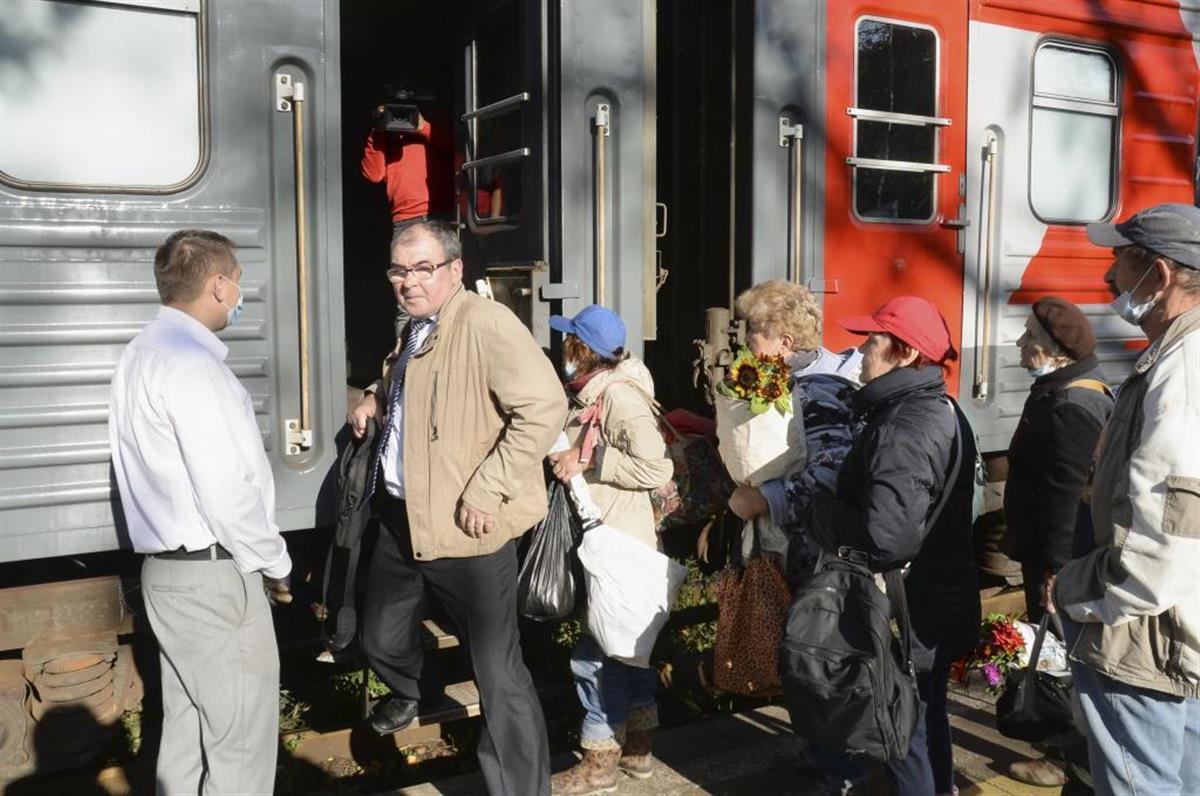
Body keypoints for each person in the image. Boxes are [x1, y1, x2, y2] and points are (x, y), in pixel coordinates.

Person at [347, 220, 566, 796]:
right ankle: (412, 689)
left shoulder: (486, 324)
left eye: (423, 269)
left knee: (498, 675)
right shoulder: (418, 329)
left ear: (454, 270)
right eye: (399, 270)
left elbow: (544, 409)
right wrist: (375, 394)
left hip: (469, 530)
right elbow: (410, 383)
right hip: (402, 520)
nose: (408, 282)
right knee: (379, 637)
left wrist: (486, 488)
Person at [108, 229, 292, 795]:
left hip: (166, 576)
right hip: (213, 576)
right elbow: (228, 491)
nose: (239, 294)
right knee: (240, 750)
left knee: (186, 736)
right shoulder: (194, 367)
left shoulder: (140, 354)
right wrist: (277, 565)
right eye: (237, 283)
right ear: (217, 285)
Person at [1050, 202, 1200, 796]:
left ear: (1159, 275)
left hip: (1144, 640)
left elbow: (1164, 540)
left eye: (1119, 263)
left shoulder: (1180, 374)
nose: (1109, 280)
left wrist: (1081, 591)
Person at [807, 296, 980, 796]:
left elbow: (886, 538)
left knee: (902, 734)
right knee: (926, 722)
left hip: (908, 613)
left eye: (872, 341)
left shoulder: (903, 426)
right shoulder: (941, 408)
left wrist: (820, 511)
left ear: (904, 353)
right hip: (936, 601)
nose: (860, 352)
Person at [543, 305, 674, 796]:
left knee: (593, 657)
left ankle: (599, 765)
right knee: (627, 654)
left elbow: (657, 470)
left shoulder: (620, 399)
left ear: (583, 351)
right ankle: (638, 752)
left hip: (621, 543)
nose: (562, 350)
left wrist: (589, 458)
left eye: (568, 341)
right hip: (616, 539)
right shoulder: (594, 392)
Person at [723, 280, 862, 586]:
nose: (746, 341)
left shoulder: (815, 395)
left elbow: (829, 475)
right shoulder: (800, 385)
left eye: (755, 333)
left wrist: (763, 499)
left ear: (784, 343)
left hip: (811, 560)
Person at [1005, 297, 1113, 625]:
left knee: (1056, 646)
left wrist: (1057, 571)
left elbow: (1069, 498)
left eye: (1030, 336)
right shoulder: (1060, 390)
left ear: (1058, 351)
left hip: (1059, 565)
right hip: (1052, 556)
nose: (1020, 342)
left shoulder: (1069, 407)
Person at [361, 99, 454, 237]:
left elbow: (457, 150)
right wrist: (378, 130)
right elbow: (374, 175)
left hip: (439, 214)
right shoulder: (385, 134)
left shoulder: (436, 122)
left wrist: (423, 127)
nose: (401, 117)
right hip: (404, 219)